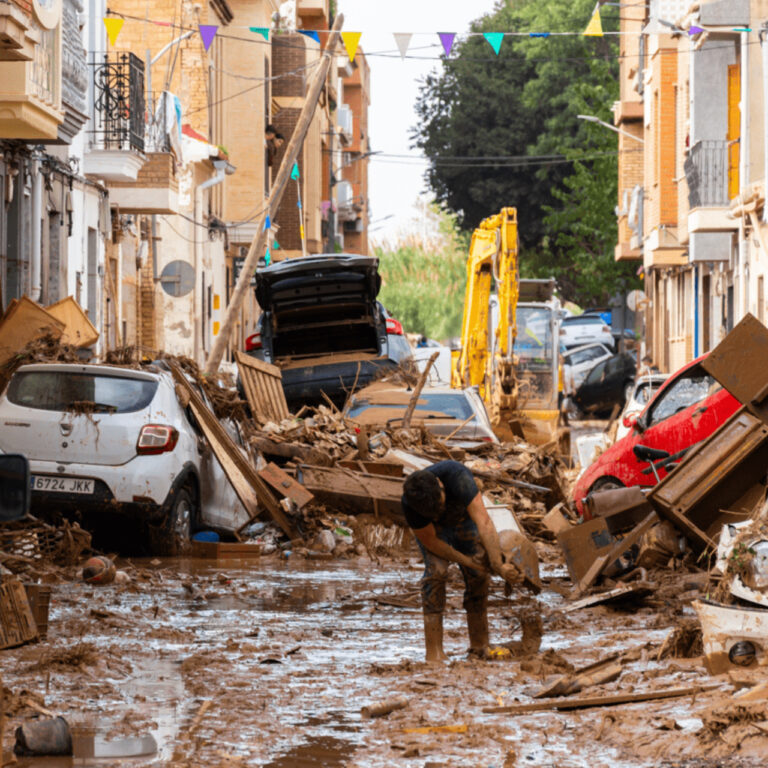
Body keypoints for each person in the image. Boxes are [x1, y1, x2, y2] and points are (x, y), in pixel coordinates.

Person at [402, 460, 521, 662]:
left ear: (441, 485)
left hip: (464, 521)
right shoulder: (411, 504)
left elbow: (483, 522)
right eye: (434, 511)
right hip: (435, 534)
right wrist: (467, 561)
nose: (439, 511)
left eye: (440, 504)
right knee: (436, 573)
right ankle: (434, 652)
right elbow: (432, 542)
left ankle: (480, 644)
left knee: (479, 575)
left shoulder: (458, 477)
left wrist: (498, 565)